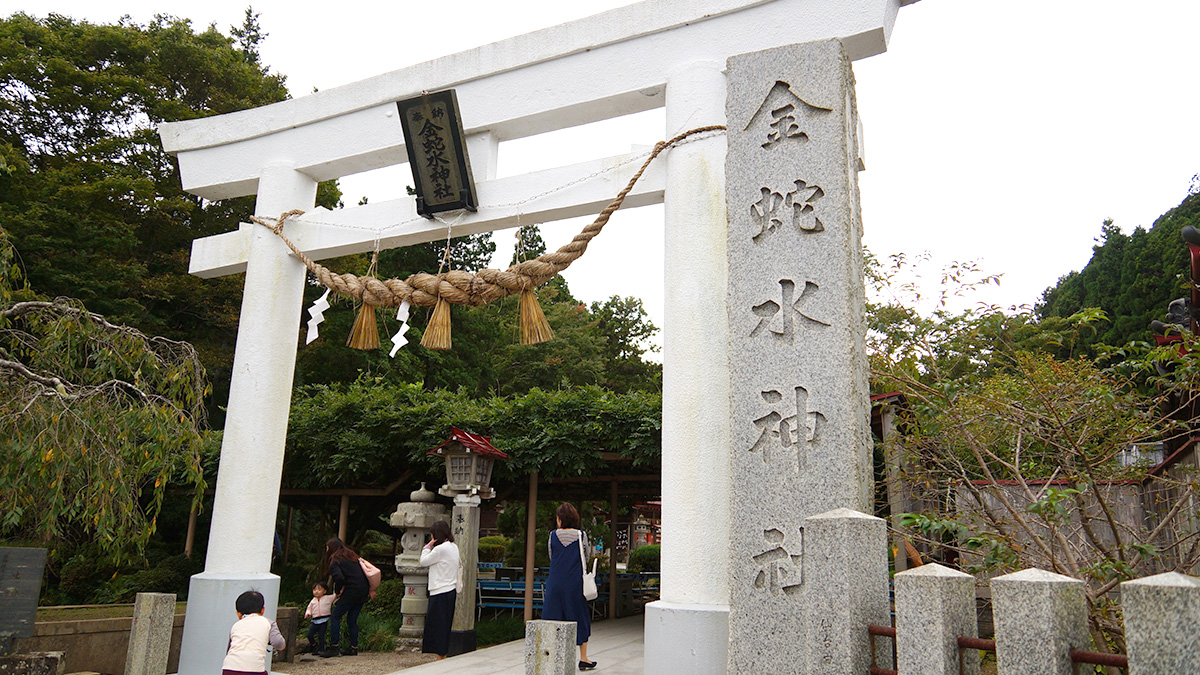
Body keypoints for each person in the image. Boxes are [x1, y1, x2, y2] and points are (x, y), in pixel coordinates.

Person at [542, 502, 595, 671]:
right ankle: (584, 658)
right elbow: (586, 557)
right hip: (575, 583)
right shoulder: (581, 535)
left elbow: (551, 556)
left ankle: (552, 656)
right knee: (579, 616)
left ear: (559, 519)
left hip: (555, 582)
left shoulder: (552, 536)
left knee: (552, 617)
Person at [319, 537, 368, 657]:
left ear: (331, 548)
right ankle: (353, 647)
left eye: (327, 548)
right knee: (352, 619)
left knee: (335, 616)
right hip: (363, 590)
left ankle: (334, 647)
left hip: (352, 590)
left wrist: (337, 592)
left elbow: (339, 578)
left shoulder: (335, 560)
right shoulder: (351, 556)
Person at [419, 519, 460, 660]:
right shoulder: (454, 547)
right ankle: (442, 653)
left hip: (440, 590)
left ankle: (440, 654)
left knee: (437, 624)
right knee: (444, 623)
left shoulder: (440, 549)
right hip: (450, 589)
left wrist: (426, 548)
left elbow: (423, 561)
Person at [222, 590, 285, 675]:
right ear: (263, 610)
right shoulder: (268, 623)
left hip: (229, 668)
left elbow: (229, 649)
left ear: (238, 613)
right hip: (254, 670)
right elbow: (278, 643)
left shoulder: (236, 625)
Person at [302, 581, 334, 654]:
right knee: (309, 634)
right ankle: (314, 644)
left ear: (324, 591)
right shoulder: (313, 600)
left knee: (321, 635)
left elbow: (335, 595)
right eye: (314, 590)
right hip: (315, 620)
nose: (316, 591)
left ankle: (321, 649)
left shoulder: (327, 598)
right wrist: (308, 613)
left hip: (324, 619)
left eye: (319, 590)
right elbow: (309, 608)